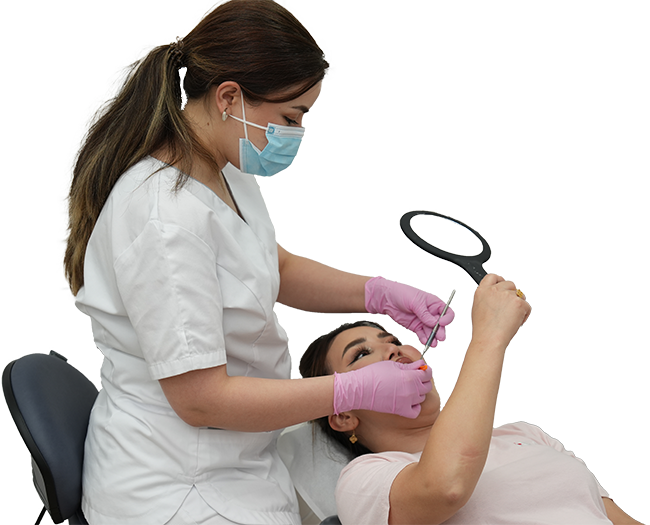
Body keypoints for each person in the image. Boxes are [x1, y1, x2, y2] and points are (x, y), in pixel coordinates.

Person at [62, 1, 455, 524]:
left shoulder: (219, 169)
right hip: (174, 486)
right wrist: (351, 389)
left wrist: (380, 293)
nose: (296, 133)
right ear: (229, 97)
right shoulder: (163, 218)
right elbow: (200, 400)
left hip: (239, 458)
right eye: (290, 117)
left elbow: (276, 268)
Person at [299, 274, 642, 525]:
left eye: (394, 340)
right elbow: (446, 486)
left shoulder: (526, 434)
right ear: (343, 416)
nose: (392, 349)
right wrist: (490, 337)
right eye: (361, 354)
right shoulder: (364, 480)